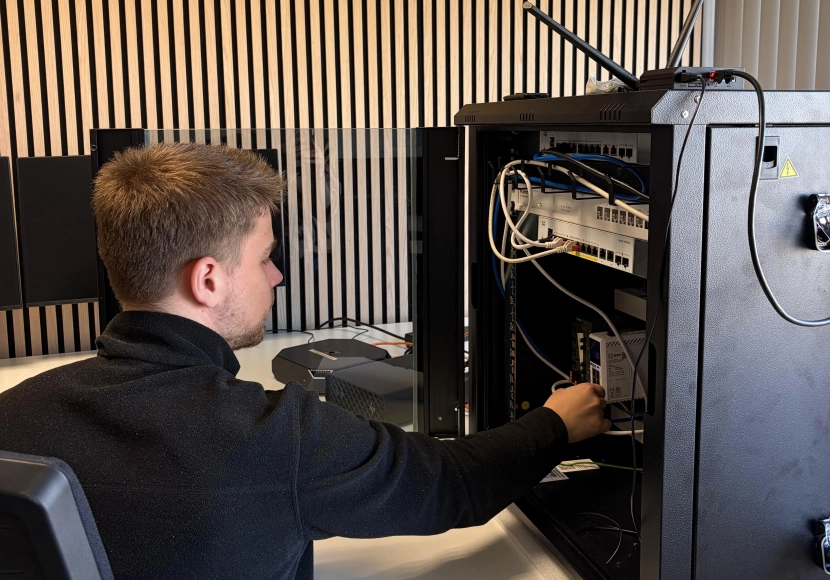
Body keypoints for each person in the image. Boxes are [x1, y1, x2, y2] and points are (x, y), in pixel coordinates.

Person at [0, 142, 610, 580]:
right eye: (265, 257)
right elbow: (453, 485)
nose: (277, 276)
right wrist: (557, 423)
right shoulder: (275, 438)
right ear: (208, 279)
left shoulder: (13, 414)